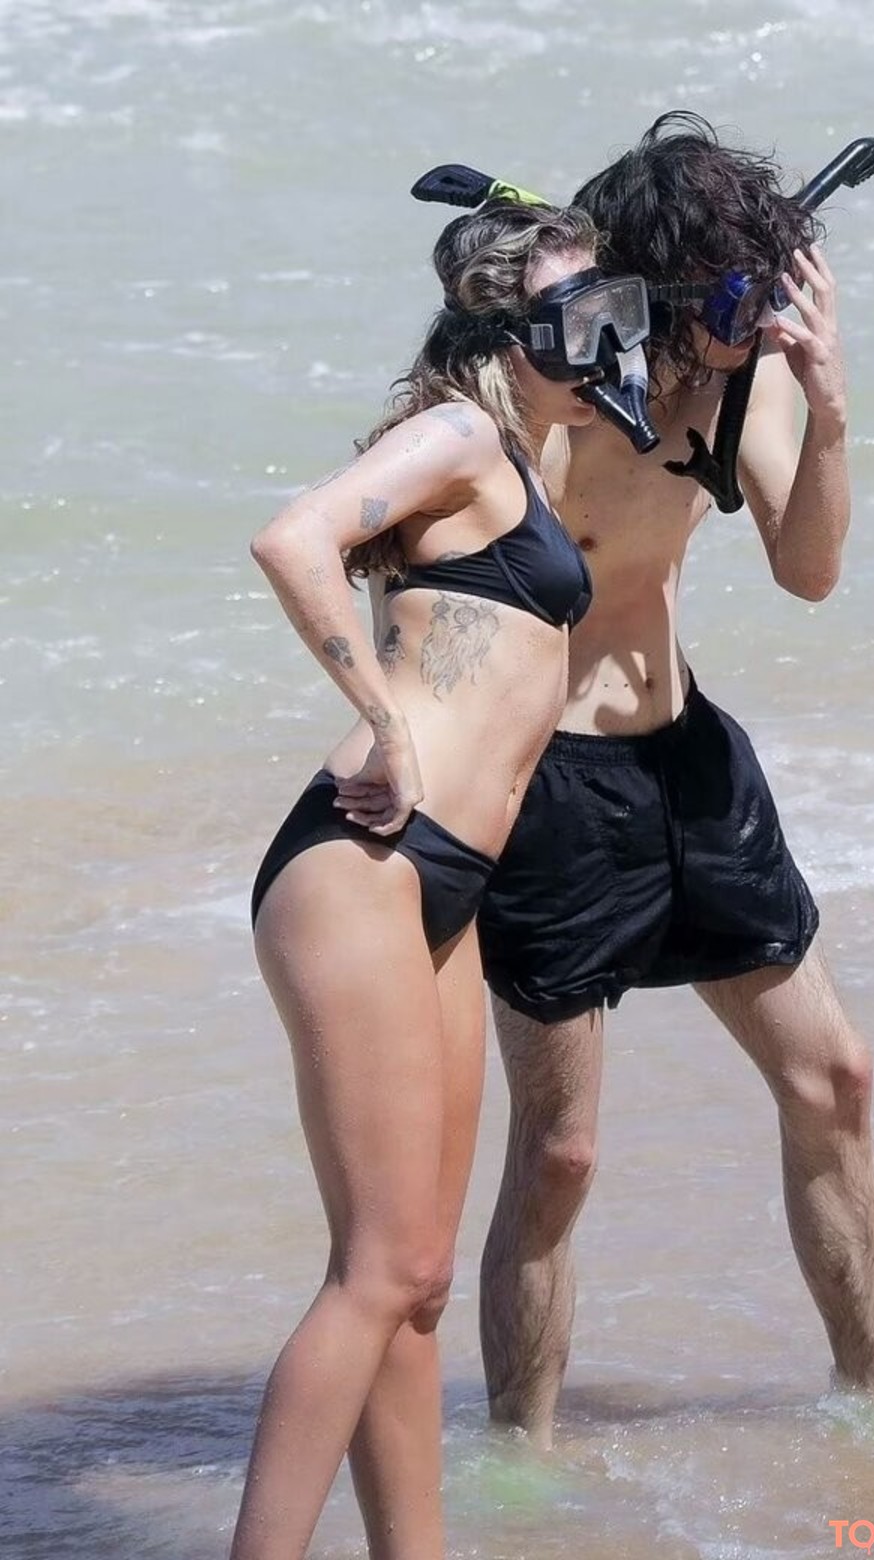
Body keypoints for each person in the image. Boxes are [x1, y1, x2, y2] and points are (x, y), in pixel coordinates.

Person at [473, 113, 874, 1450]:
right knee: (560, 1153)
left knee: (835, 1078)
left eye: (770, 288)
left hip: (688, 761)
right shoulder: (545, 392)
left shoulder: (752, 378)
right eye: (734, 298)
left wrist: (828, 404)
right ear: (660, 294)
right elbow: (423, 572)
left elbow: (809, 570)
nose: (759, 319)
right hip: (549, 785)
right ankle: (522, 1456)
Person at [228, 198, 650, 1560]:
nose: (607, 343)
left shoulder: (519, 449)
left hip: (443, 887)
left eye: (618, 313)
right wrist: (387, 722)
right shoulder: (462, 434)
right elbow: (293, 538)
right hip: (364, 858)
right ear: (504, 328)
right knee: (382, 1271)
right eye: (581, 317)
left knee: (414, 1290)